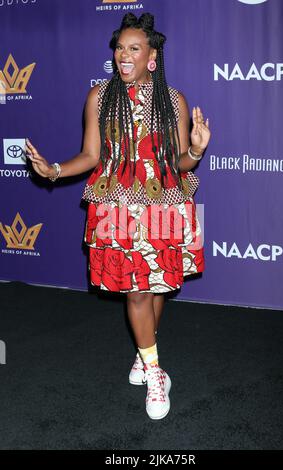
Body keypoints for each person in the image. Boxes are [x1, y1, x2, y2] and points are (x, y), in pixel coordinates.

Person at [25, 12, 211, 421]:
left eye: (133, 49)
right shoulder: (99, 97)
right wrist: (54, 170)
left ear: (152, 58)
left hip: (165, 205)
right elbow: (91, 156)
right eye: (119, 48)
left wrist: (196, 150)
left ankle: (145, 355)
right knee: (138, 292)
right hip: (118, 208)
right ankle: (156, 370)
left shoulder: (172, 100)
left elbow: (180, 163)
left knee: (158, 286)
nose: (123, 56)